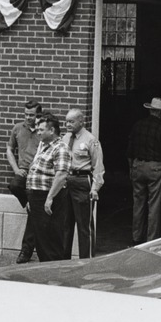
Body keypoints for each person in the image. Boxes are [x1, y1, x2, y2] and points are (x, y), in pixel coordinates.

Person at [127, 97, 161, 244]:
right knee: (154, 204)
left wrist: (131, 168)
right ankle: (151, 240)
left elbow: (130, 150)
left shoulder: (137, 125)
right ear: (160, 113)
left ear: (151, 110)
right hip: (154, 167)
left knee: (138, 203)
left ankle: (136, 238)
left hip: (137, 165)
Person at [26, 114, 71, 262]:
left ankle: (52, 270)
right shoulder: (43, 146)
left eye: (41, 130)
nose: (38, 132)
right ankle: (44, 267)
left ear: (51, 131)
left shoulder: (60, 148)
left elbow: (61, 175)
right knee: (41, 236)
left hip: (48, 196)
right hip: (37, 196)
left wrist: (50, 198)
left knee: (50, 236)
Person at [61, 108, 105, 259]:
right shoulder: (65, 138)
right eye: (66, 121)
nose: (68, 125)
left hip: (82, 181)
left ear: (81, 121)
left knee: (84, 226)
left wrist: (95, 188)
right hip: (67, 181)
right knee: (65, 224)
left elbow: (98, 166)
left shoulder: (91, 140)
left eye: (71, 122)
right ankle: (64, 260)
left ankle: (86, 261)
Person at [6, 98, 43, 263]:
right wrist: (15, 169)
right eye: (26, 114)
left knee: (33, 215)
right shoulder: (17, 128)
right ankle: (28, 203)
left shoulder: (43, 130)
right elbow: (9, 149)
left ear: (38, 114)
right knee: (14, 185)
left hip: (38, 174)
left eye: (32, 115)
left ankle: (25, 252)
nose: (28, 118)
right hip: (23, 173)